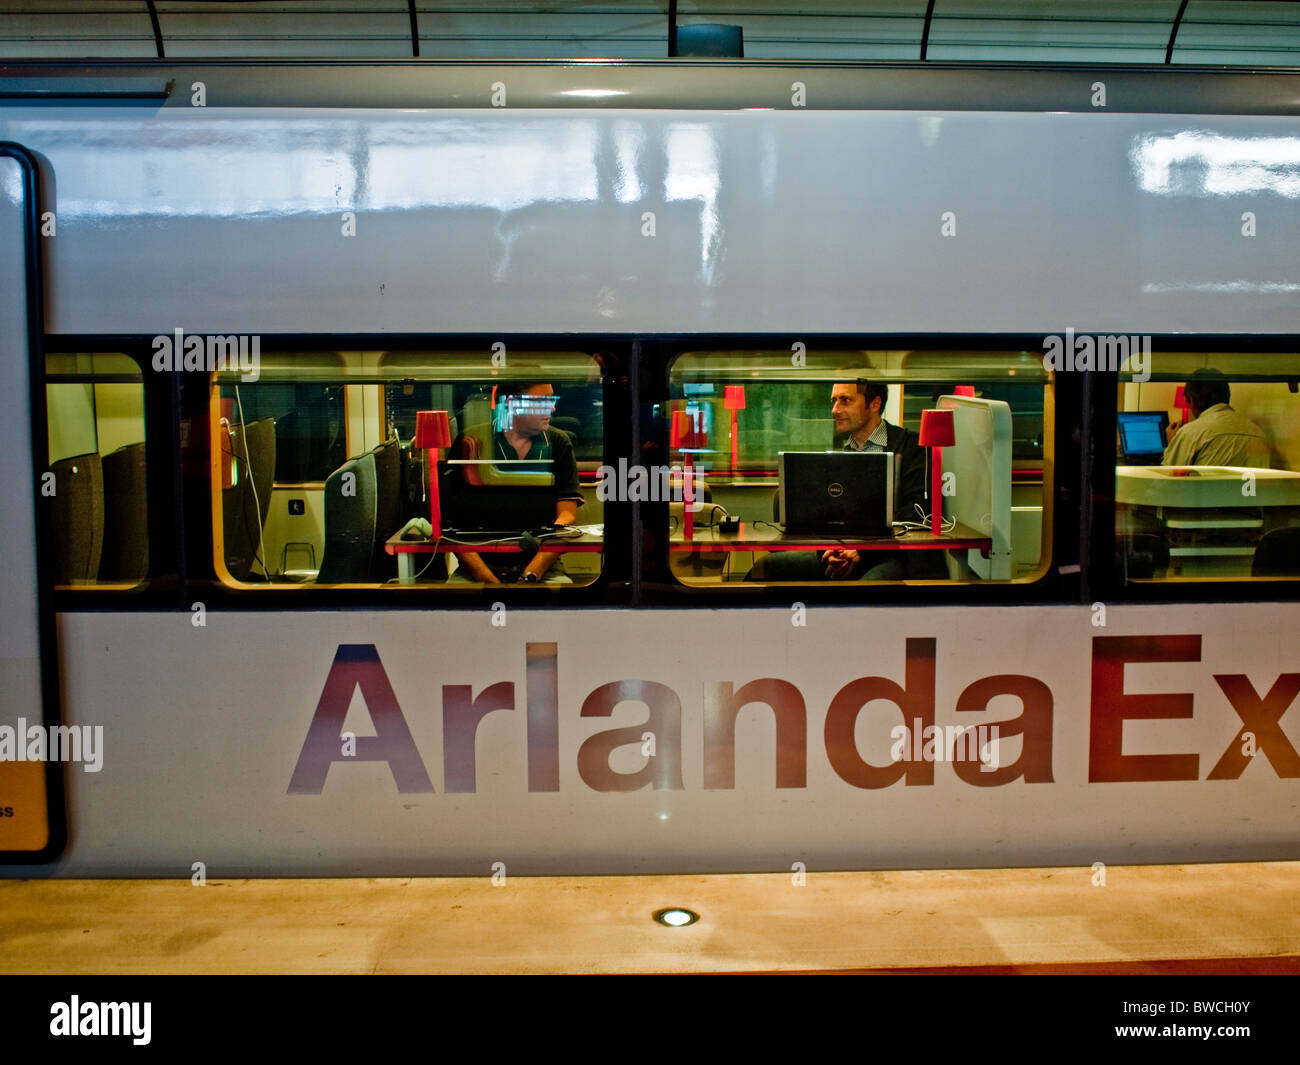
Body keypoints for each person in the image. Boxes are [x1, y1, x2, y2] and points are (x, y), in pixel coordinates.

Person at [747, 378, 938, 581]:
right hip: (840, 552)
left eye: (845, 400)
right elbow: (827, 515)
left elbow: (918, 511)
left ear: (874, 404)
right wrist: (828, 551)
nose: (835, 409)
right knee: (766, 568)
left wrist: (862, 551)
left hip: (889, 554)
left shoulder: (911, 447)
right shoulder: (840, 455)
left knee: (868, 589)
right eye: (834, 401)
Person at [445, 382, 584, 584]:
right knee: (456, 608)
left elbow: (567, 515)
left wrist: (531, 574)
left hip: (542, 565)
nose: (552, 408)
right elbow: (452, 523)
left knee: (560, 608)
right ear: (512, 404)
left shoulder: (558, 442)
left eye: (551, 399)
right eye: (543, 401)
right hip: (477, 566)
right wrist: (485, 578)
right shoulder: (472, 442)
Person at [1162, 371, 1270, 468]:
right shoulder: (1258, 432)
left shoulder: (1190, 433)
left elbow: (1166, 481)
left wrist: (1172, 443)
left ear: (1192, 400)